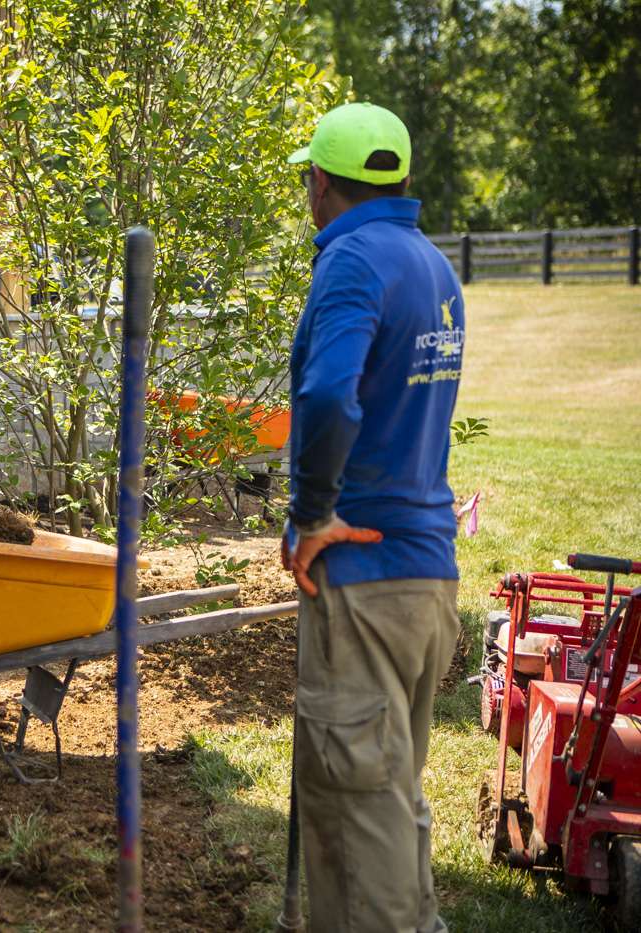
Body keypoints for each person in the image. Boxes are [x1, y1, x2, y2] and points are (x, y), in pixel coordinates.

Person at [282, 102, 464, 932]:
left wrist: (312, 510)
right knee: (391, 792)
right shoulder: (433, 266)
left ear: (321, 182)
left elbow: (329, 393)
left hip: (362, 574)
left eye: (307, 181)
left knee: (359, 801)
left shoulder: (351, 259)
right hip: (427, 577)